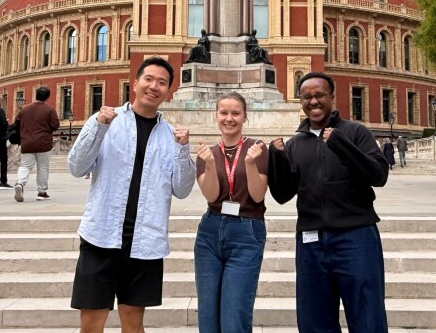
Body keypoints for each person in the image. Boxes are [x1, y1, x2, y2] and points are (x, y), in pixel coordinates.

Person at [67, 56, 196, 333]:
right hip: (101, 236)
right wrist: (99, 128)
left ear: (168, 91)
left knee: (134, 325)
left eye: (161, 82)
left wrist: (183, 150)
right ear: (135, 84)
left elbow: (183, 189)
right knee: (91, 325)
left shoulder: (172, 136)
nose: (154, 86)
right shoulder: (105, 121)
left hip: (145, 240)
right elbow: (77, 167)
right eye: (148, 79)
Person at [268, 72, 389, 333]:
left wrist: (341, 144)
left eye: (319, 95)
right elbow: (282, 195)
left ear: (332, 96)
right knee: (314, 322)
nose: (313, 101)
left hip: (356, 236)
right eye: (306, 97)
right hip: (311, 241)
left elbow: (378, 176)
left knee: (367, 317)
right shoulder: (295, 144)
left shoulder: (355, 132)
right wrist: (276, 159)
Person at [194, 92, 268, 333]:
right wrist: (210, 165)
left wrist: (250, 164)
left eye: (236, 113)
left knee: (234, 318)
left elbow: (258, 195)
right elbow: (211, 196)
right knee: (208, 317)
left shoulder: (257, 149)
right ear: (215, 116)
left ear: (245, 116)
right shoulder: (207, 153)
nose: (229, 118)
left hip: (247, 230)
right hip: (210, 232)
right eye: (224, 113)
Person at [13, 86, 60, 202]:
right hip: (44, 143)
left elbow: (16, 123)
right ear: (47, 97)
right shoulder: (50, 110)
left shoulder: (24, 109)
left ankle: (20, 183)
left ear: (36, 95)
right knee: (43, 168)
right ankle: (42, 192)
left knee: (25, 166)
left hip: (27, 142)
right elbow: (55, 125)